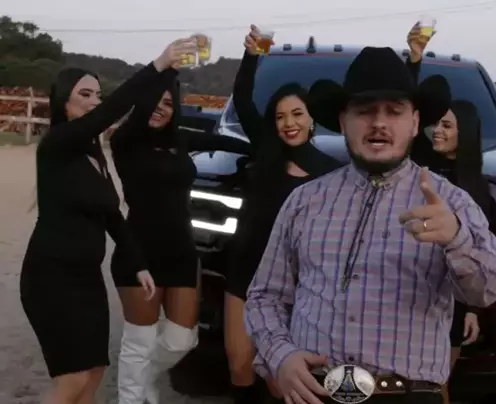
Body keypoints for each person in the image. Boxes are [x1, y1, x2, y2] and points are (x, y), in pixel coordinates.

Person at [245, 46, 496, 404]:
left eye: (394, 111)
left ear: (415, 122)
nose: (379, 123)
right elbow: (265, 296)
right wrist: (281, 356)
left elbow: (490, 291)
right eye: (364, 110)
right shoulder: (304, 201)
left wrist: (457, 239)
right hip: (314, 392)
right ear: (343, 121)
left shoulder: (451, 203)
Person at [19, 38, 194, 404]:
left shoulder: (93, 156)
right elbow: (110, 113)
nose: (94, 102)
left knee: (94, 374)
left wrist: (139, 265)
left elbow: (114, 217)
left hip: (88, 279)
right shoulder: (57, 145)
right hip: (51, 278)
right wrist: (159, 65)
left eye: (98, 95)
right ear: (64, 102)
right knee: (73, 380)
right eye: (84, 94)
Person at [109, 60, 251, 404]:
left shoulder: (180, 139)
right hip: (139, 250)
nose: (160, 109)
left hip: (181, 251)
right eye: (154, 101)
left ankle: (144, 377)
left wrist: (272, 149)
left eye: (169, 103)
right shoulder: (125, 141)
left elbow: (223, 141)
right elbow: (126, 102)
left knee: (182, 339)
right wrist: (167, 67)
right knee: (139, 340)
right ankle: (131, 397)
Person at [223, 25, 342, 404]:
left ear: (311, 119)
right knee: (240, 365)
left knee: (284, 379)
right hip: (245, 272)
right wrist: (252, 54)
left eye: (297, 114)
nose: (289, 123)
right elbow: (243, 97)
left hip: (298, 286)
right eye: (280, 116)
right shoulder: (265, 150)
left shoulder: (331, 172)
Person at [404, 23, 496, 404]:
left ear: (466, 132)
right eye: (437, 124)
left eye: (447, 125)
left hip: (453, 303)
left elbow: (485, 255)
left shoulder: (478, 190)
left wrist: (473, 311)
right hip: (410, 291)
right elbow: (409, 114)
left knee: (437, 385)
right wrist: (414, 59)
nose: (437, 131)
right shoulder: (421, 165)